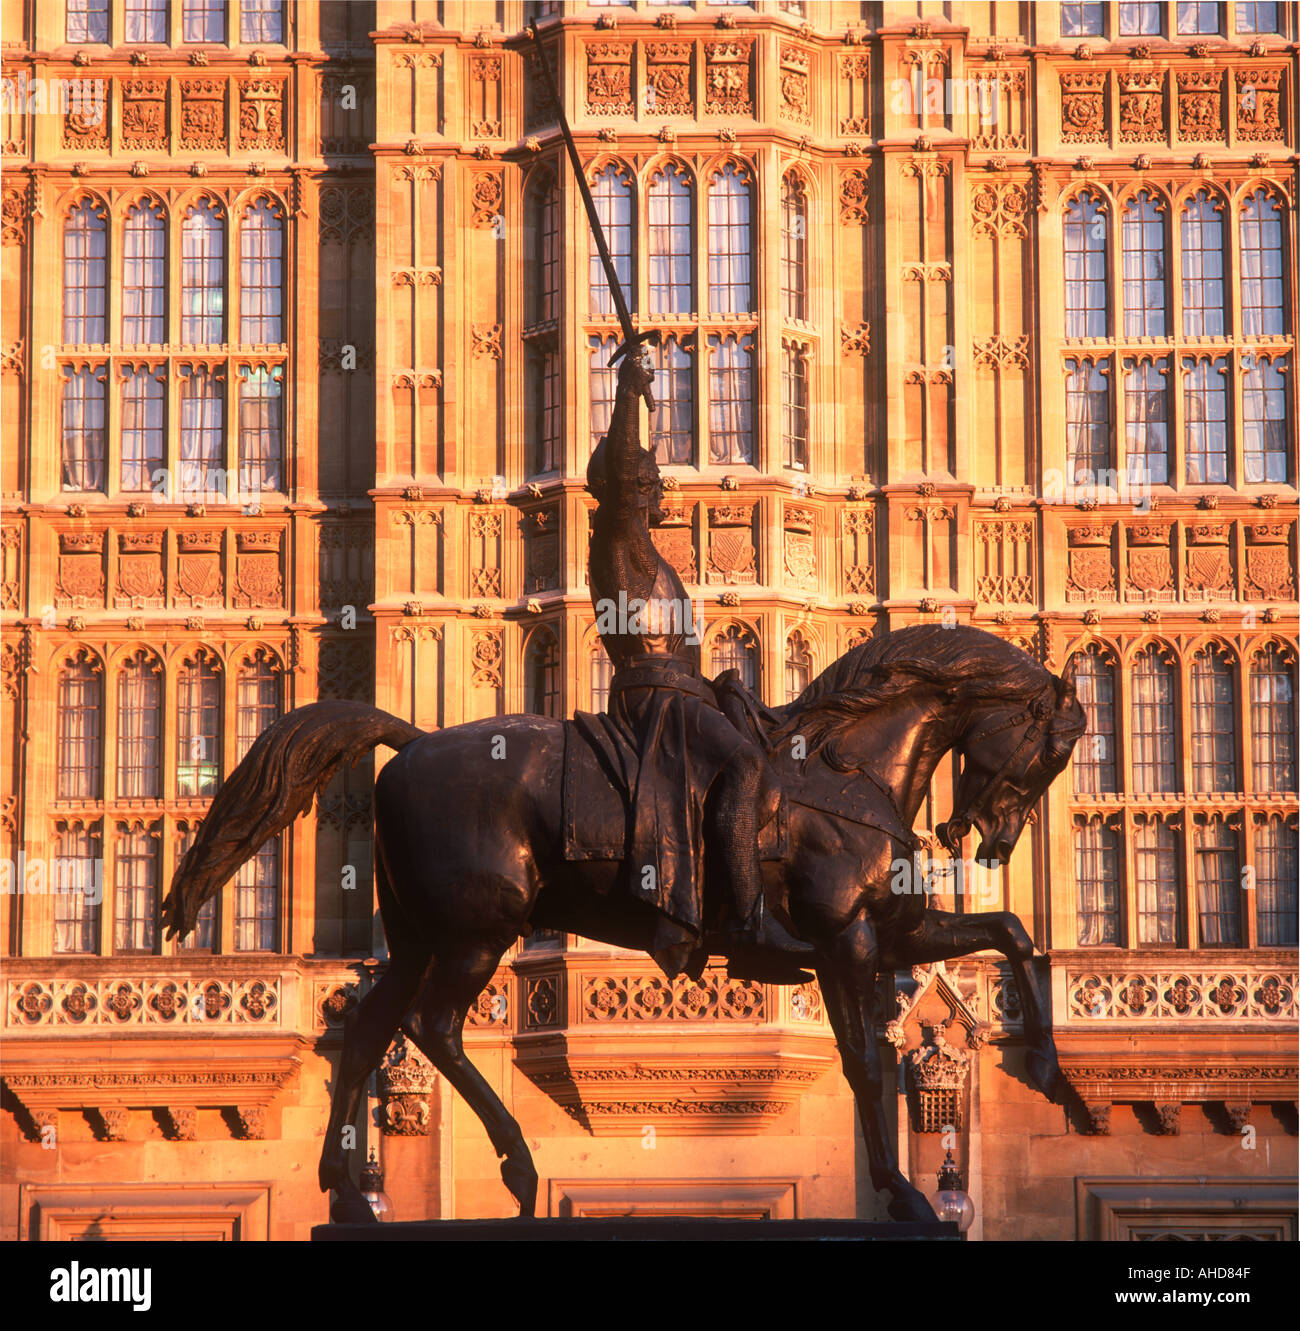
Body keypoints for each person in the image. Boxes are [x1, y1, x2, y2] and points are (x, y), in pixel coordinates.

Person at [585, 346, 811, 979]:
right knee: (743, 765)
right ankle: (748, 921)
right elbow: (625, 473)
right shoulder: (620, 545)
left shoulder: (647, 559)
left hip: (681, 694)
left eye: (655, 483)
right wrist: (628, 394)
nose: (660, 491)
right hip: (656, 702)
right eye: (652, 484)